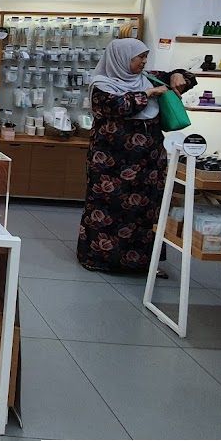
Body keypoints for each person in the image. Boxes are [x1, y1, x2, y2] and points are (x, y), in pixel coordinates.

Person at [76, 38, 195, 274]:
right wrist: (147, 94)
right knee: (107, 210)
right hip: (111, 162)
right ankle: (99, 258)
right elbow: (116, 107)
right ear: (121, 58)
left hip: (148, 162)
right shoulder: (103, 85)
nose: (143, 62)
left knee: (145, 211)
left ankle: (144, 263)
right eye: (138, 57)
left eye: (145, 57)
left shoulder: (149, 77)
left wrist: (178, 75)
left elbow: (185, 79)